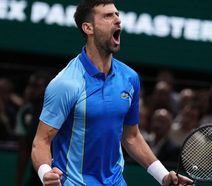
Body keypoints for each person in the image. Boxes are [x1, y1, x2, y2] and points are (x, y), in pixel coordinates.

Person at [30, 1, 193, 186]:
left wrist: (163, 176)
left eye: (117, 14)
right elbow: (41, 141)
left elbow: (131, 136)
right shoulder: (65, 83)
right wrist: (45, 174)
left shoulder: (130, 78)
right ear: (88, 28)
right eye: (108, 16)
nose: (117, 20)